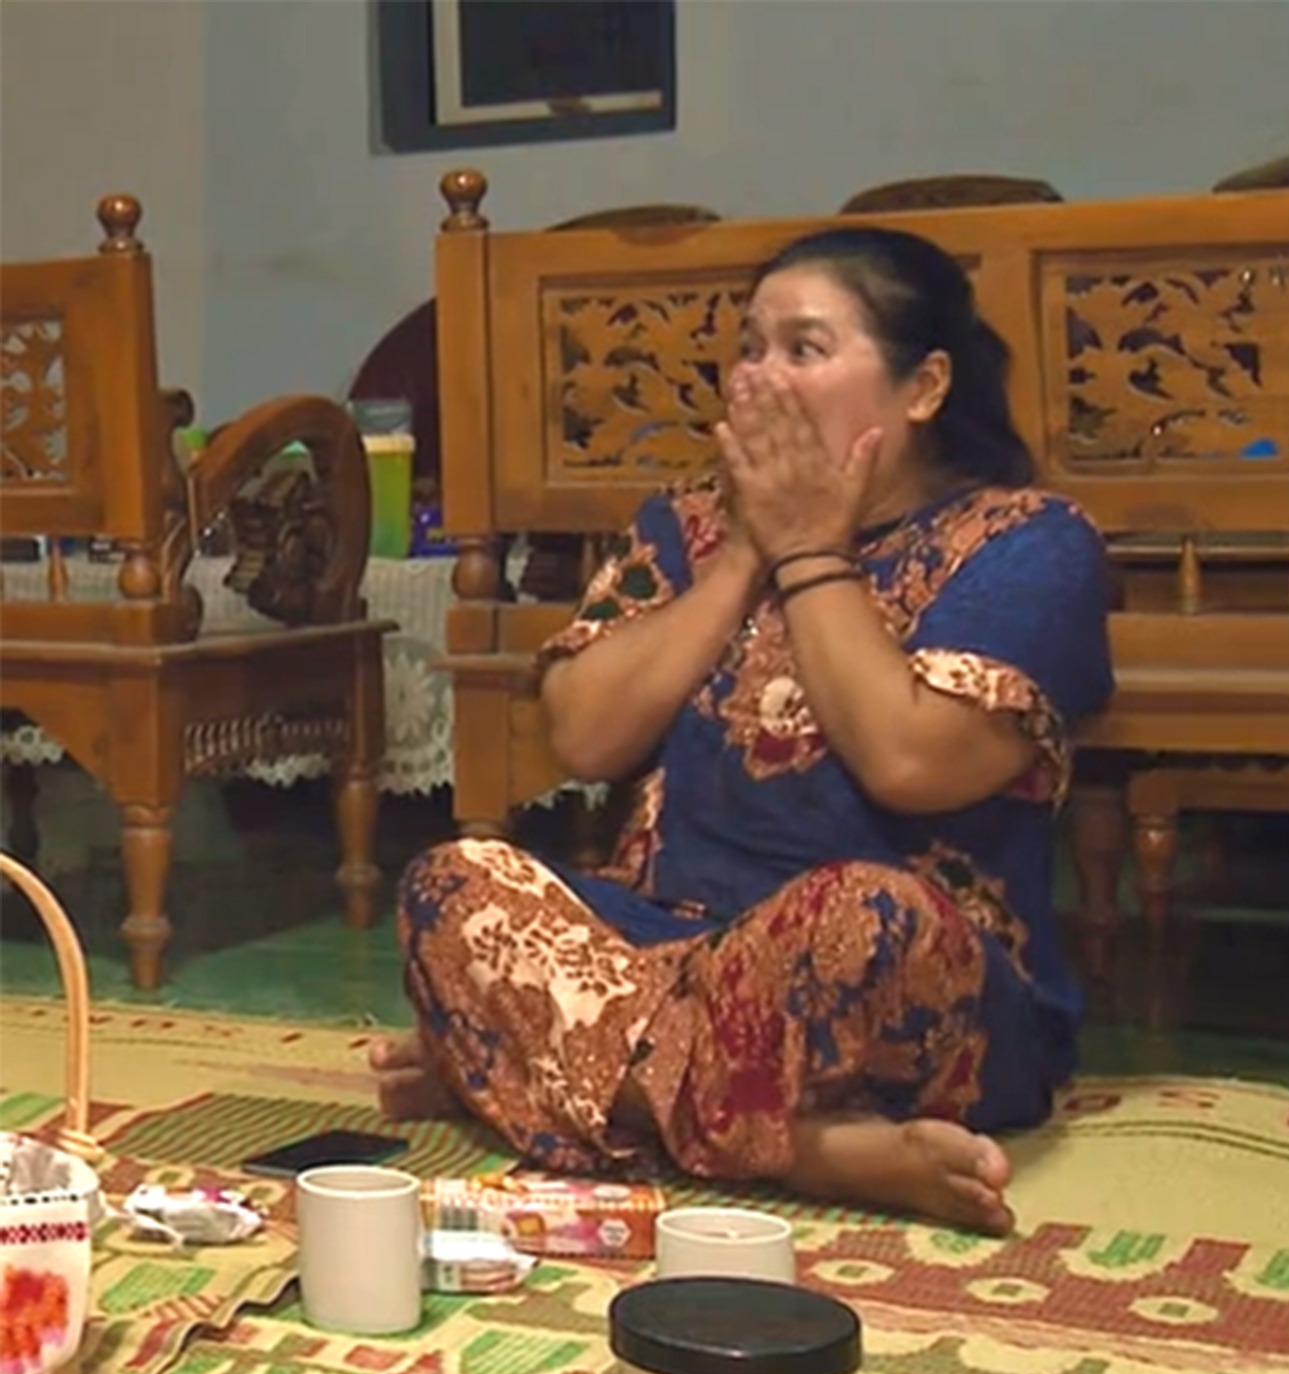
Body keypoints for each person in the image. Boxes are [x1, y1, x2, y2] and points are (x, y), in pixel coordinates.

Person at [371, 226, 1114, 1235]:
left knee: (857, 913)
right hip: (664, 946)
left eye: (803, 348)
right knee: (455, 882)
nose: (758, 378)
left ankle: (553, 1071)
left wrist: (809, 551)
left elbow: (908, 760)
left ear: (924, 386)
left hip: (906, 978)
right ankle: (813, 1150)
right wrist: (743, 556)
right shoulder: (686, 529)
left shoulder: (1028, 542)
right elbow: (582, 734)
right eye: (749, 348)